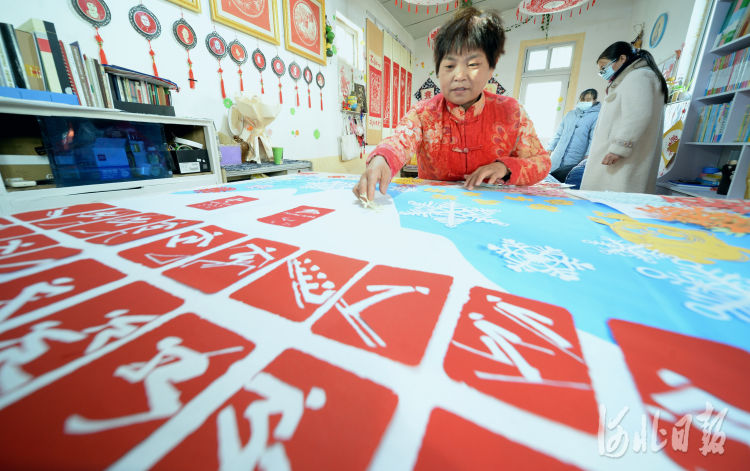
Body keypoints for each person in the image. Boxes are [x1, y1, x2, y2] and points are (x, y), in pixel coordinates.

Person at [353, 7, 550, 202]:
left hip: (493, 209)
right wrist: (382, 160)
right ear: (439, 71)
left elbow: (541, 161)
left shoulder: (512, 112)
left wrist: (505, 168)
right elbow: (399, 141)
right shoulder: (423, 113)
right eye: (449, 66)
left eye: (472, 65)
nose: (459, 75)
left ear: (491, 67)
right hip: (433, 207)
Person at [580, 41, 668, 193]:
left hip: (622, 159)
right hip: (619, 157)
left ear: (622, 58)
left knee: (611, 203)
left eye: (604, 66)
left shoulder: (639, 76)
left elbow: (638, 115)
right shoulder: (634, 77)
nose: (602, 72)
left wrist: (619, 149)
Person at [547, 89, 600, 183]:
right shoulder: (570, 114)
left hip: (576, 156)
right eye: (582, 99)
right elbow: (558, 133)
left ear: (595, 100)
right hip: (558, 154)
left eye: (588, 100)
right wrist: (550, 148)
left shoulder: (596, 116)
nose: (584, 102)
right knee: (551, 179)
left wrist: (588, 156)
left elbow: (593, 139)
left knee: (566, 181)